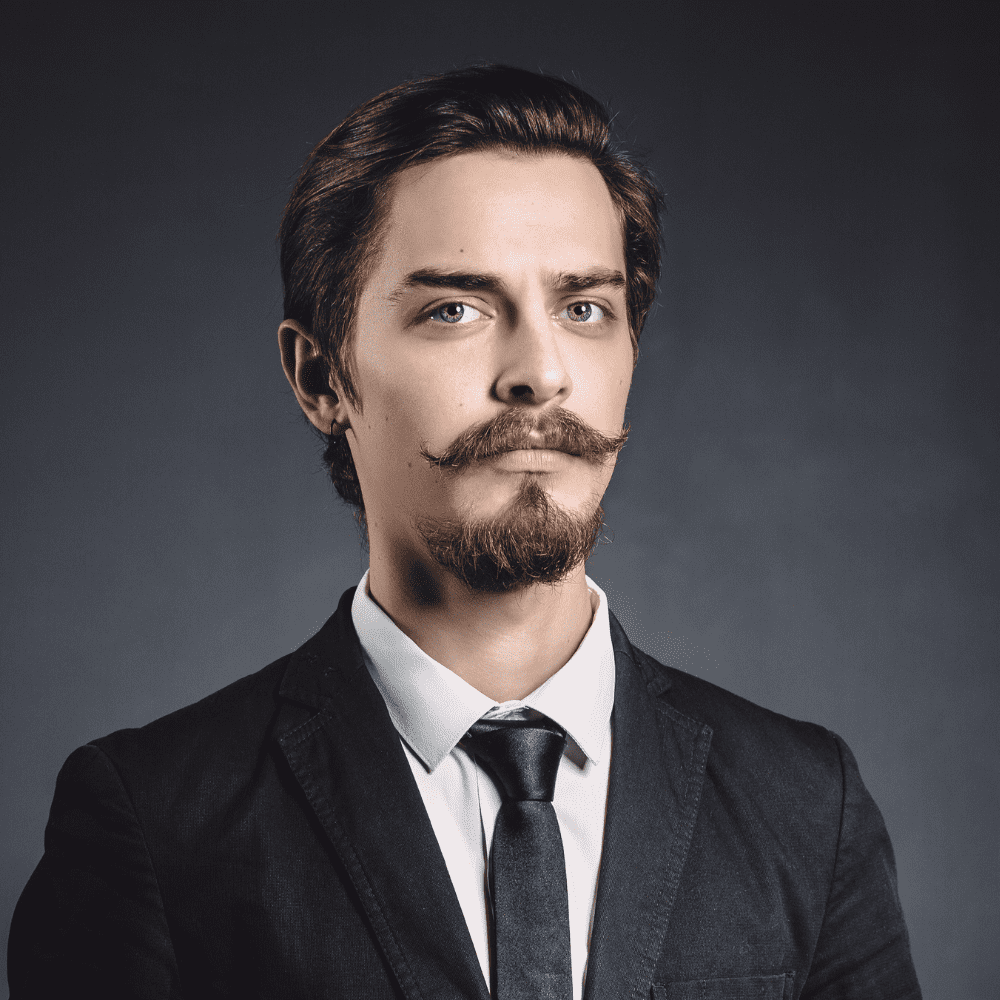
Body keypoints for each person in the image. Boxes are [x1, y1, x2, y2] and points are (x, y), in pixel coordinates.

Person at [7, 65, 921, 1000]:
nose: (539, 372)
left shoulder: (808, 804)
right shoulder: (156, 821)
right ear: (321, 377)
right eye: (455, 309)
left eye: (584, 309)